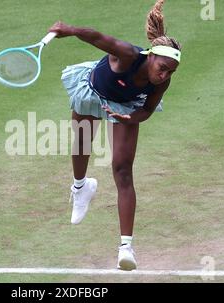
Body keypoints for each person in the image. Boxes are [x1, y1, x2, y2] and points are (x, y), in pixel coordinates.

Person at [48, 0, 182, 270]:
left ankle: (126, 247)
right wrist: (69, 30)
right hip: (92, 90)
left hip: (126, 108)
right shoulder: (127, 54)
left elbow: (146, 110)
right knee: (82, 143)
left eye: (170, 71)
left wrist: (128, 118)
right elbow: (98, 37)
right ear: (150, 55)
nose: (164, 75)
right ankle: (80, 188)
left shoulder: (163, 82)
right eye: (162, 67)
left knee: (122, 170)